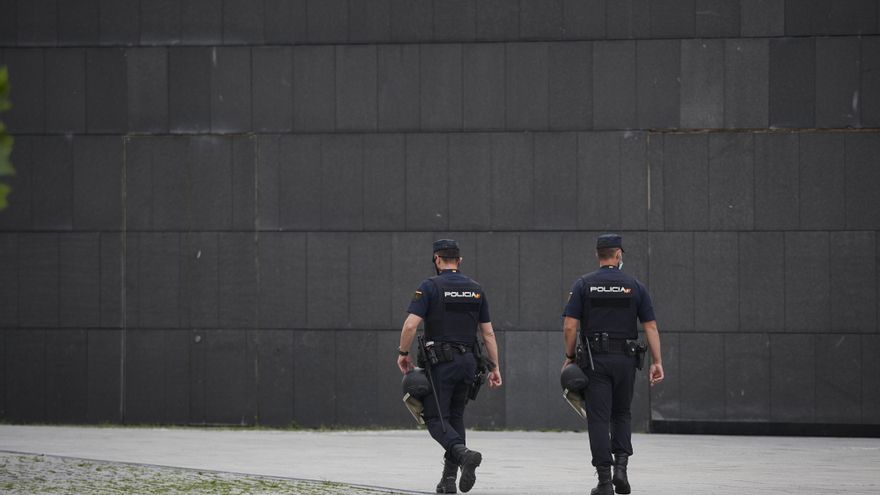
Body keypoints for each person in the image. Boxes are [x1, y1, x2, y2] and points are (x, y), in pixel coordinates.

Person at [397, 239, 502, 494]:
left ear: (437, 259)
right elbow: (488, 334)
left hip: (442, 364)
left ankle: (463, 454)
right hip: (469, 364)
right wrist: (495, 367)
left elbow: (411, 325)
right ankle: (448, 480)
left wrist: (402, 352)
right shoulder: (476, 289)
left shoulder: (430, 286)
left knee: (435, 418)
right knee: (455, 417)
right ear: (460, 260)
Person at [561, 234, 664, 495]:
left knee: (598, 418)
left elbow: (570, 325)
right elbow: (650, 326)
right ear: (618, 254)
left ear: (599, 255)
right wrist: (657, 361)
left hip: (595, 362)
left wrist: (570, 356)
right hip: (626, 360)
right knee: (621, 414)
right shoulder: (635, 286)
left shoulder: (584, 284)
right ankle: (621, 469)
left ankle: (605, 481)